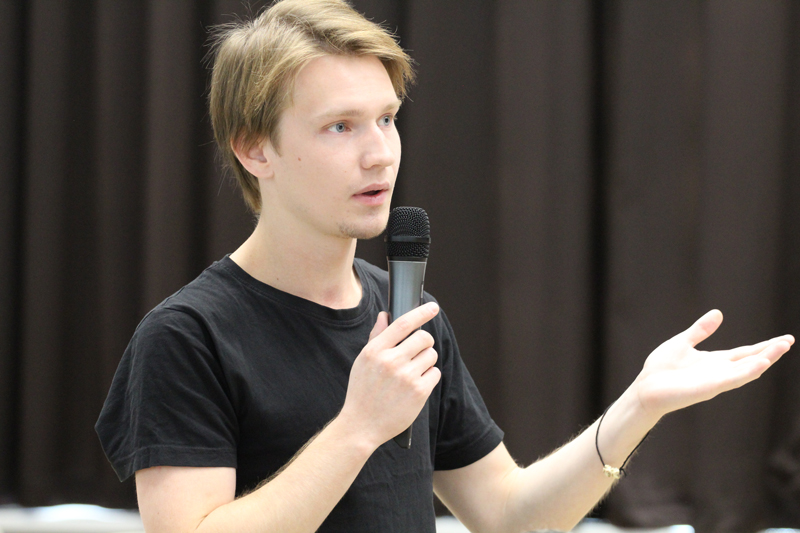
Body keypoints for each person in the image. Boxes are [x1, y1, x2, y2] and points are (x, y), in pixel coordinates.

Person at [95, 1, 794, 531]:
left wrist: (637, 407)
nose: (380, 154)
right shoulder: (188, 337)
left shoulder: (405, 314)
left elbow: (508, 515)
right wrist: (357, 427)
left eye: (387, 118)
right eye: (341, 126)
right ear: (255, 149)